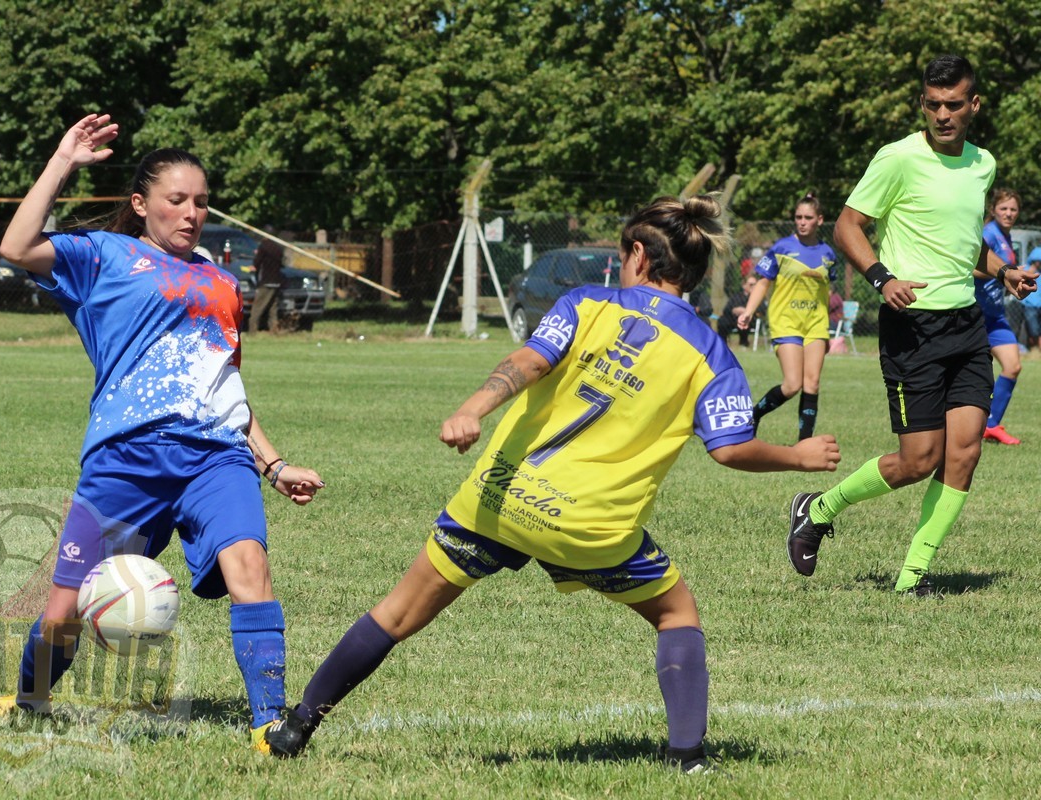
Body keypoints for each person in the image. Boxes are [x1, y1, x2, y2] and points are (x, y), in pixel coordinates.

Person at [259, 196, 841, 769]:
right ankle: (687, 758)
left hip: (500, 498)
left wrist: (471, 409)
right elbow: (730, 448)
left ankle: (296, 727)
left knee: (396, 614)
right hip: (589, 527)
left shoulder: (586, 303)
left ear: (639, 255)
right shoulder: (712, 354)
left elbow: (529, 361)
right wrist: (797, 456)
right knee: (676, 614)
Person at [0, 113, 325, 752]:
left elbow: (223, 386)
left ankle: (268, 724)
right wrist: (64, 161)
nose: (192, 213)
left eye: (201, 201)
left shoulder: (221, 281)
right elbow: (15, 247)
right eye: (176, 200)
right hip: (125, 460)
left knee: (249, 566)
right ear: (141, 204)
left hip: (215, 458)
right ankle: (29, 700)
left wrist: (272, 464)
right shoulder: (102, 256)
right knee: (63, 612)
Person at [785, 56, 1035, 595]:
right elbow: (848, 226)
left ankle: (912, 578)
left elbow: (963, 244)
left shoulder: (983, 165)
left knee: (965, 453)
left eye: (953, 104)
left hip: (966, 325)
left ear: (973, 105)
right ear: (922, 104)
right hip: (911, 326)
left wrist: (1004, 271)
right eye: (933, 104)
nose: (943, 114)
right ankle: (818, 509)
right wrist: (881, 278)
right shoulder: (897, 157)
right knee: (919, 460)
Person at [737, 194, 838, 440]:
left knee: (812, 383)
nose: (802, 222)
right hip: (786, 321)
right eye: (798, 217)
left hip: (816, 324)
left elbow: (827, 290)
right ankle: (755, 415)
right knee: (792, 385)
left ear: (819, 220)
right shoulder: (781, 248)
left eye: (808, 217)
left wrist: (827, 325)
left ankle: (804, 443)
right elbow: (763, 283)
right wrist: (748, 311)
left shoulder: (828, 254)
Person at [979, 189, 1025, 444]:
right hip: (975, 314)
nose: (1008, 213)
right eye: (1003, 208)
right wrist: (1007, 271)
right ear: (993, 210)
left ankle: (991, 425)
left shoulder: (1006, 236)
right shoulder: (988, 234)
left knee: (1013, 366)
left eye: (1013, 209)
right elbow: (970, 267)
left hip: (995, 316)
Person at [248, 237, 285, 333]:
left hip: (266, 281)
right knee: (272, 307)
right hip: (276, 281)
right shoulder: (278, 247)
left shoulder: (263, 246)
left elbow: (257, 262)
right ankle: (274, 329)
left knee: (257, 307)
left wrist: (253, 266)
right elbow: (281, 263)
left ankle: (252, 330)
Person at [717, 274, 759, 348]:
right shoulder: (736, 296)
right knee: (722, 321)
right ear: (744, 285)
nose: (753, 287)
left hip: (750, 319)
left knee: (744, 320)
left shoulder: (758, 297)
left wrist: (747, 311)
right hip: (733, 319)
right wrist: (734, 310)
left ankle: (744, 343)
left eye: (755, 285)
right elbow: (726, 309)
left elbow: (762, 311)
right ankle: (722, 344)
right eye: (751, 284)